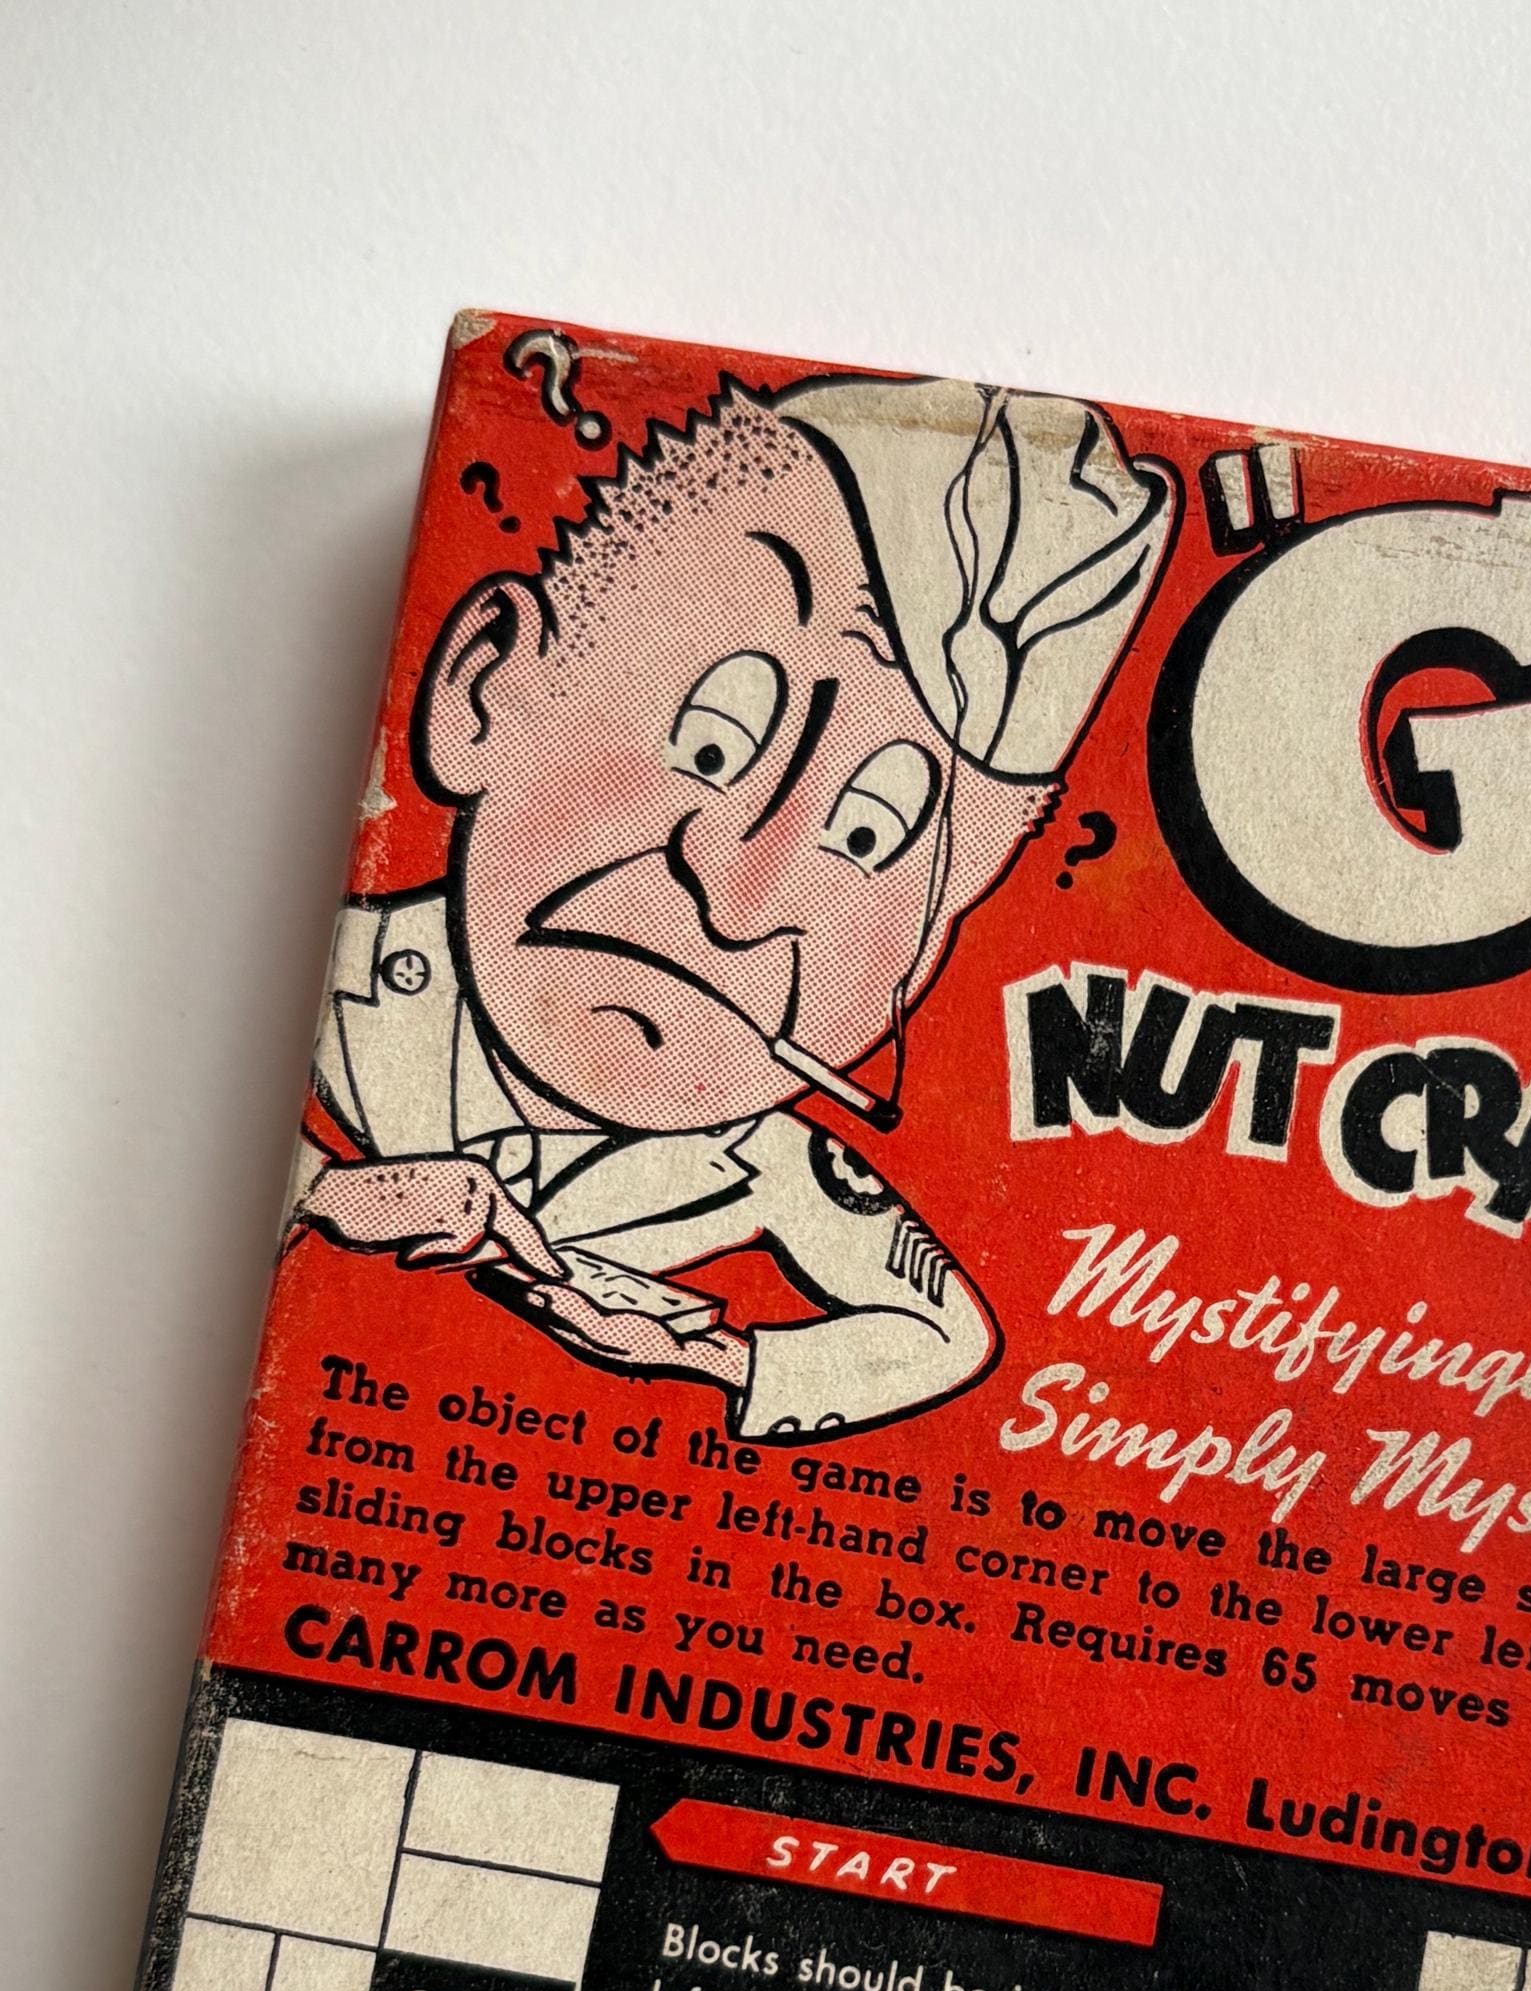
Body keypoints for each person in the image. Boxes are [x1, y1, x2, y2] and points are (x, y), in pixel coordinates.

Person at [290, 373, 1175, 1440]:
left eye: (864, 838)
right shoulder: (313, 989)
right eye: (711, 746)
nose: (739, 899)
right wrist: (328, 1195)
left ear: (931, 949)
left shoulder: (753, 1159)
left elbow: (949, 1334)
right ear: (484, 688)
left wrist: (703, 1355)